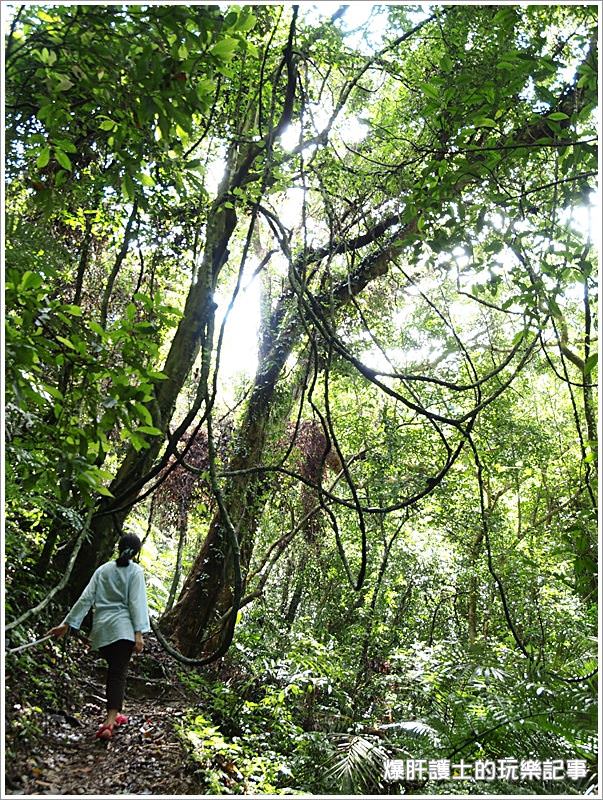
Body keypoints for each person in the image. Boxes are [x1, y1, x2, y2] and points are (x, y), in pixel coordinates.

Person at [49, 534, 150, 739]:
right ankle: (109, 723)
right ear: (136, 552)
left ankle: (115, 714)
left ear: (118, 547)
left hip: (102, 632)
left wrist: (67, 624)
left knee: (114, 671)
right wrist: (139, 634)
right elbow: (136, 603)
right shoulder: (135, 572)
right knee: (117, 673)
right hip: (123, 631)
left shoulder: (103, 570)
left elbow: (86, 598)